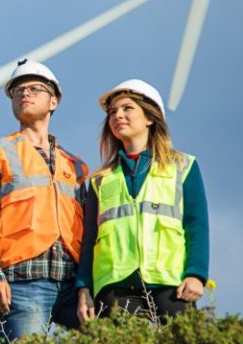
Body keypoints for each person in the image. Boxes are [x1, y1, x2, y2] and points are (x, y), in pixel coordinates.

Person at [0, 59, 88, 340]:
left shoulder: (76, 166)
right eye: (18, 90)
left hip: (73, 286)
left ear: (54, 101)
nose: (25, 93)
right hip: (23, 281)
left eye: (35, 88)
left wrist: (87, 286)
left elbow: (90, 232)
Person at [76, 79, 209, 324]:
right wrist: (84, 288)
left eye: (127, 108)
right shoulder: (99, 180)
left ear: (149, 117)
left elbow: (196, 225)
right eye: (113, 112)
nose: (118, 115)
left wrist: (196, 275)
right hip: (115, 286)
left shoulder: (183, 167)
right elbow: (89, 241)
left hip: (172, 283)